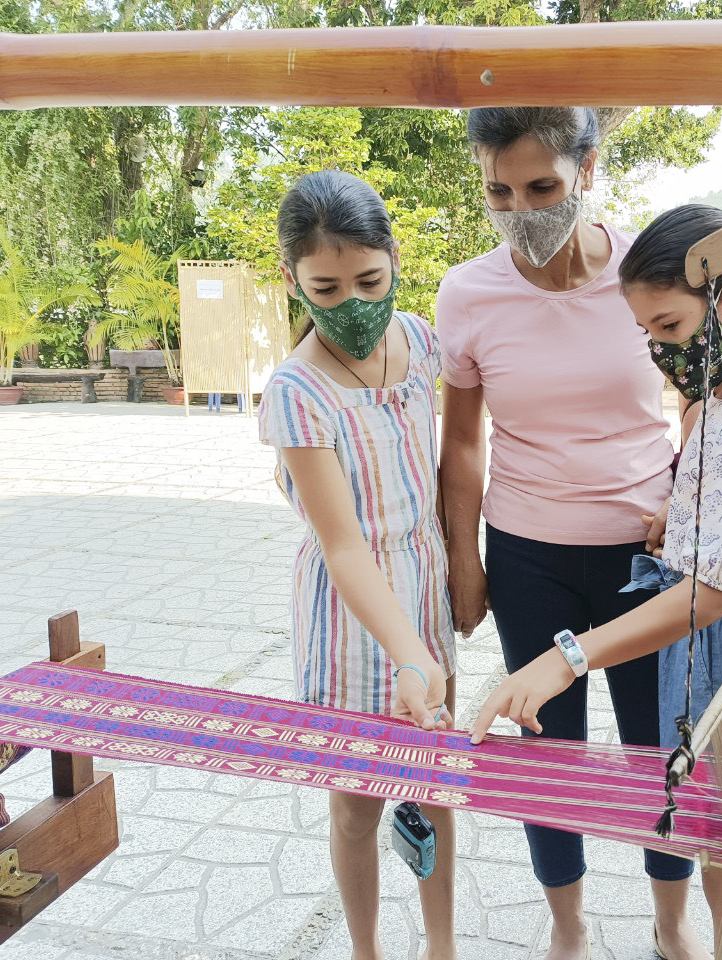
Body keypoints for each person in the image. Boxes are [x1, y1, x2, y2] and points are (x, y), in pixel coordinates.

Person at [468, 204, 722, 957]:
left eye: (667, 327)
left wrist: (564, 658)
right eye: (648, 335)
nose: (661, 352)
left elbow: (706, 597)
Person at [436, 108, 707, 960]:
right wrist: (464, 564)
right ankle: (570, 928)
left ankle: (670, 925)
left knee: (655, 749)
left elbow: (703, 386)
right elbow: (461, 440)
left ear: (587, 166)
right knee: (547, 748)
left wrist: (687, 494)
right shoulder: (468, 293)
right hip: (526, 555)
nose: (522, 208)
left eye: (542, 186)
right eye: (499, 191)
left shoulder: (645, 272)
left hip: (646, 557)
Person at [257, 170, 457, 960]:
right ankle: (366, 951)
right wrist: (407, 650)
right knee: (358, 801)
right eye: (327, 289)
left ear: (394, 259)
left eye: (370, 281)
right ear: (293, 282)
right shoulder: (297, 392)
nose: (354, 305)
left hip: (423, 586)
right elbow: (342, 543)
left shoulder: (420, 342)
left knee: (434, 782)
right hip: (349, 613)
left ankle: (442, 947)